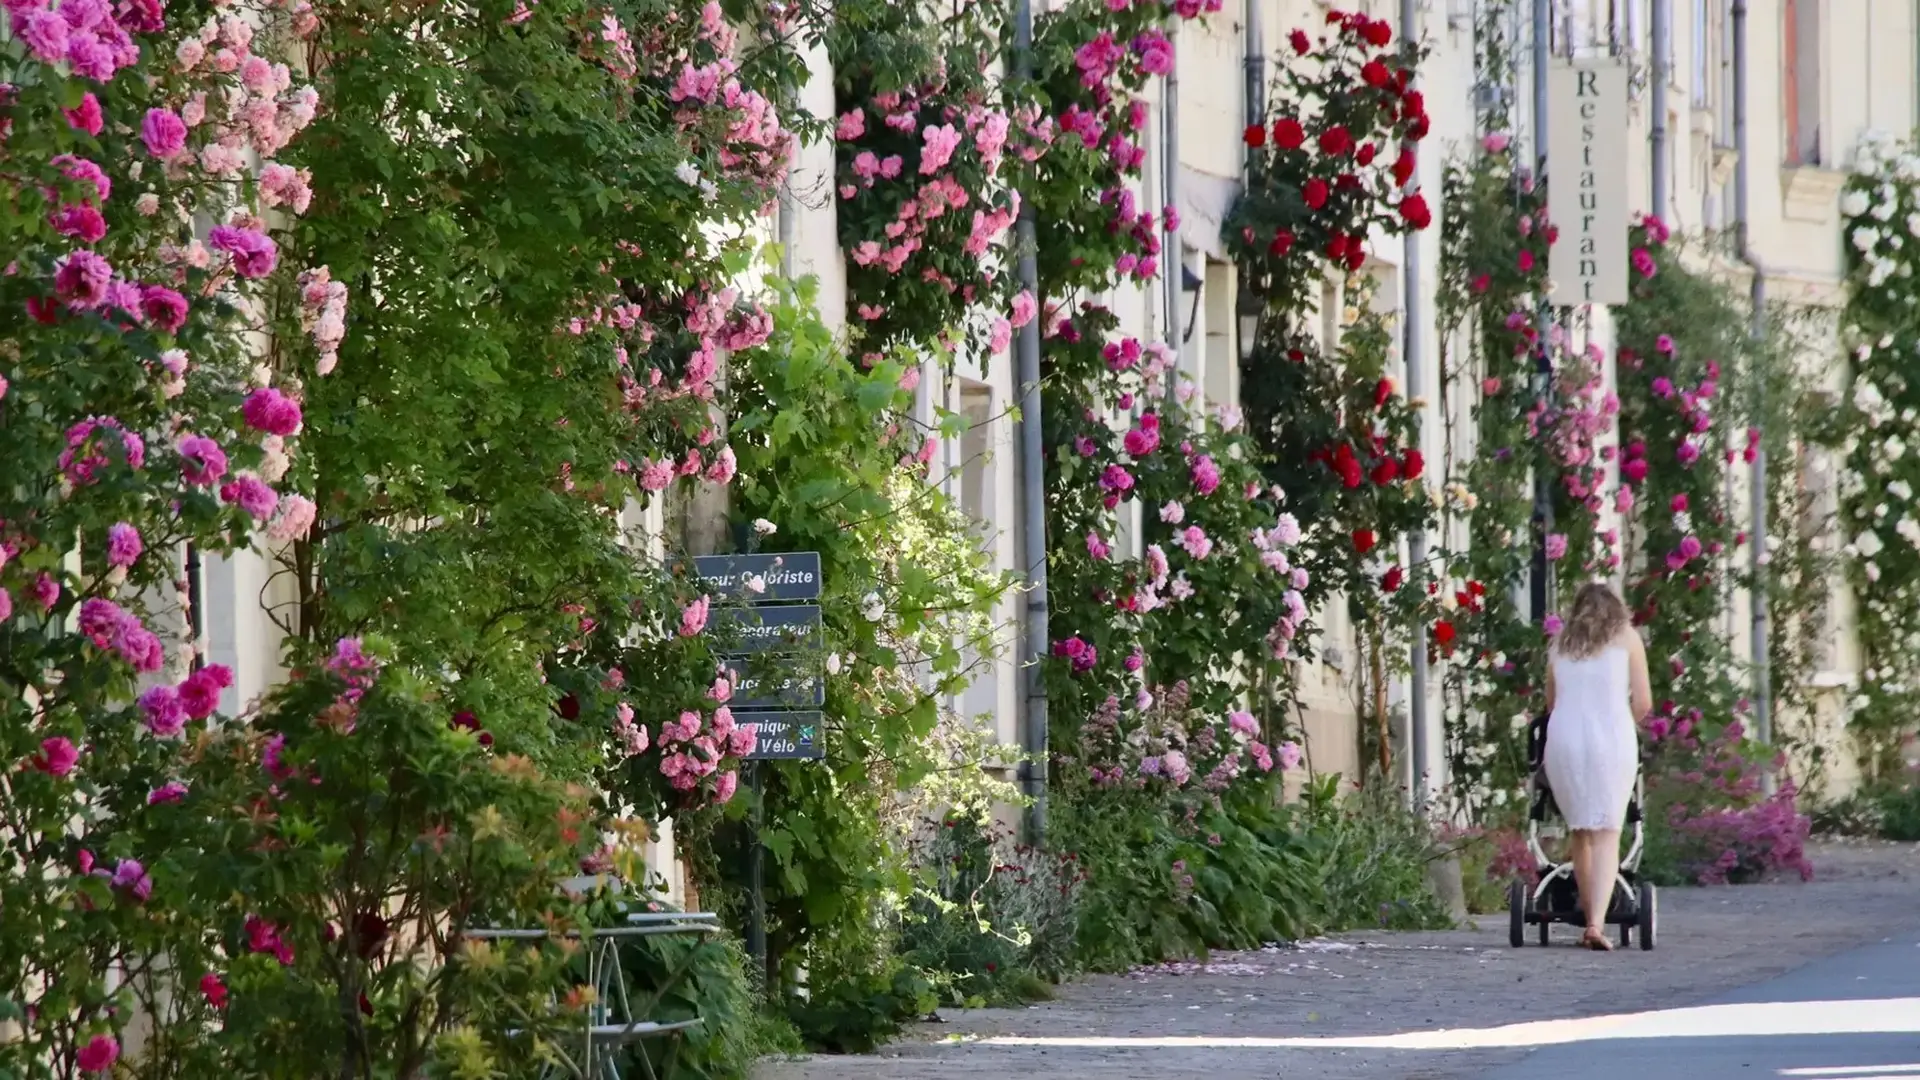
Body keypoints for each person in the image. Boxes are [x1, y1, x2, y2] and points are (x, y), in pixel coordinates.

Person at [1542, 582, 1653, 951]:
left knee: (1581, 831)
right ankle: (1595, 923)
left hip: (1565, 741)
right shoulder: (1627, 639)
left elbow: (1551, 701)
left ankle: (1589, 916)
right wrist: (1623, 719)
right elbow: (1644, 702)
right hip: (1611, 740)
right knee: (1608, 832)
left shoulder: (1560, 643)